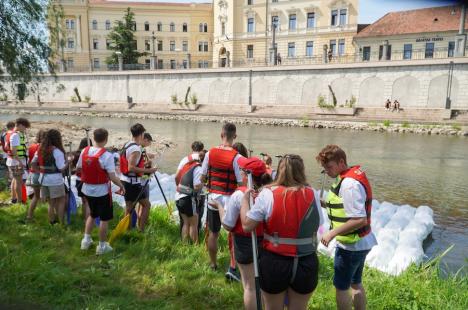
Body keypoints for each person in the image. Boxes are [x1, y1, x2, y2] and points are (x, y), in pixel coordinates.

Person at [240, 154, 321, 310]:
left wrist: (245, 201)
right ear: (302, 171)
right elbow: (317, 224)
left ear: (279, 171)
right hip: (306, 261)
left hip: (275, 262)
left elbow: (246, 225)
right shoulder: (313, 194)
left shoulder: (267, 193)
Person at [316, 145, 376, 310]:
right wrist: (320, 203)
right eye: (324, 168)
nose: (327, 171)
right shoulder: (348, 177)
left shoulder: (349, 184)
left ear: (341, 162)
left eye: (329, 167)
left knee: (342, 288)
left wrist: (331, 233)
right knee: (356, 283)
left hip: (351, 246)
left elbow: (360, 219)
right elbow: (342, 206)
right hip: (362, 242)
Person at [209, 157, 272, 309]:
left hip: (245, 243)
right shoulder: (271, 192)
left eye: (242, 172)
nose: (240, 175)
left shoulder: (239, 195)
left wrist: (219, 206)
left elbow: (227, 224)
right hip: (267, 243)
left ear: (247, 175)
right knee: (264, 285)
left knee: (249, 286)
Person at [201, 122, 243, 271]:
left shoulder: (209, 153)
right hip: (230, 200)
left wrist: (208, 185)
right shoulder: (237, 157)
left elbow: (202, 177)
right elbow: (240, 182)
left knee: (213, 233)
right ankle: (233, 266)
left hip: (213, 199)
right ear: (235, 136)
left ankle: (213, 264)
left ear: (221, 135)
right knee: (234, 234)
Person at [78, 128, 125, 255]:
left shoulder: (85, 151)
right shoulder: (107, 156)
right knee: (104, 219)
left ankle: (86, 241)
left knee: (92, 214)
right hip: (101, 191)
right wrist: (121, 185)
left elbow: (79, 167)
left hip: (87, 189)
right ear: (106, 139)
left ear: (94, 138)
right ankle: (102, 246)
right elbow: (112, 177)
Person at [120, 123, 157, 232]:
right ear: (141, 134)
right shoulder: (135, 149)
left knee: (129, 207)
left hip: (125, 180)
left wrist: (144, 165)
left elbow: (131, 165)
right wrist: (149, 170)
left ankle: (127, 230)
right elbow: (131, 167)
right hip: (131, 183)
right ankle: (140, 230)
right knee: (146, 205)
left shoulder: (128, 144)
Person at [31, 129, 67, 224]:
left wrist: (41, 170)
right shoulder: (57, 151)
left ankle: (52, 221)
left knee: (51, 202)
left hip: (43, 178)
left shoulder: (40, 149)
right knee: (61, 200)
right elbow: (61, 168)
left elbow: (33, 163)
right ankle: (61, 222)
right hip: (55, 180)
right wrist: (69, 162)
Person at [174, 142, 204, 243]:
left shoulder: (186, 161)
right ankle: (195, 247)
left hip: (178, 195)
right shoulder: (199, 168)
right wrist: (204, 184)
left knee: (186, 223)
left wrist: (179, 187)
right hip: (188, 198)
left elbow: (176, 176)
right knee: (194, 224)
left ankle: (184, 246)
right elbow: (196, 186)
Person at [5, 118, 30, 204]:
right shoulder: (15, 135)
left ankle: (14, 199)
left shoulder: (13, 134)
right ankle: (19, 202)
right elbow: (13, 150)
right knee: (19, 182)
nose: (25, 129)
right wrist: (20, 162)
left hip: (12, 161)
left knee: (15, 180)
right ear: (19, 125)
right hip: (16, 162)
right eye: (24, 127)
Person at [25, 130, 46, 221]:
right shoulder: (45, 148)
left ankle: (29, 215)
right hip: (43, 173)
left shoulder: (31, 147)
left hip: (33, 172)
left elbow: (30, 161)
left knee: (36, 196)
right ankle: (52, 218)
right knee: (51, 198)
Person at [72, 138, 93, 220]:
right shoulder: (91, 154)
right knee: (88, 202)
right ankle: (87, 219)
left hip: (78, 179)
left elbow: (75, 168)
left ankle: (84, 217)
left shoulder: (76, 154)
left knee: (84, 201)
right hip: (86, 179)